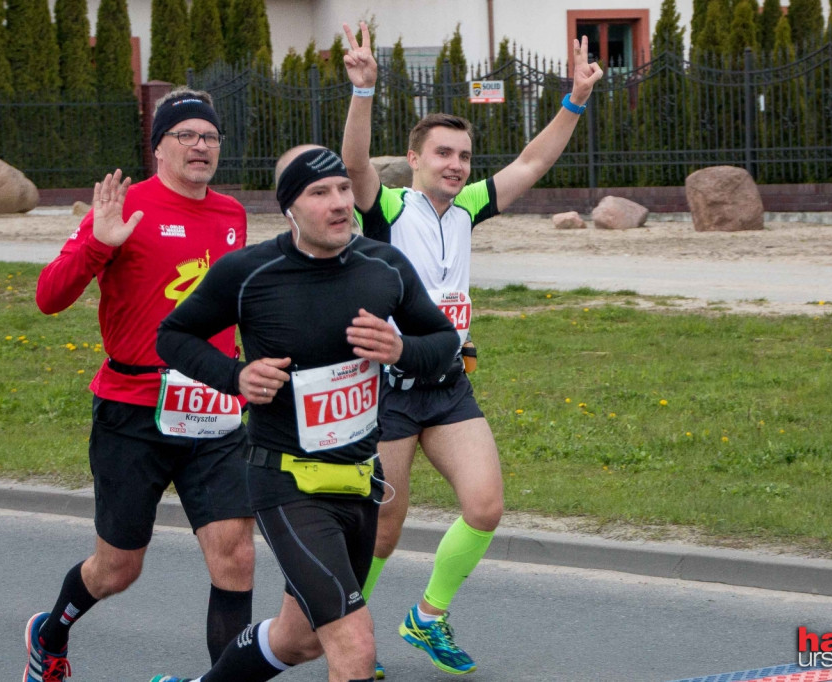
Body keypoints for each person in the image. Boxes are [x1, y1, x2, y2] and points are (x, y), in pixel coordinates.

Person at [340, 21, 604, 677]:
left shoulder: (470, 207)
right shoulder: (388, 209)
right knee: (382, 530)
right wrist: (364, 91)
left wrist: (575, 99)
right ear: (417, 157)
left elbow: (534, 162)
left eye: (463, 154)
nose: (456, 164)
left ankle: (426, 619)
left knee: (485, 505)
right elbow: (351, 166)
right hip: (389, 389)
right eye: (443, 153)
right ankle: (347, 639)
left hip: (449, 381)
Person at [149, 145, 460, 682]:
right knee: (354, 645)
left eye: (343, 189)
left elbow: (443, 340)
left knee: (299, 641)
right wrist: (236, 377)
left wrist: (400, 350)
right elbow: (173, 335)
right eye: (320, 193)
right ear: (289, 208)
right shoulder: (249, 273)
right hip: (286, 482)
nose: (340, 203)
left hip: (360, 482)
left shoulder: (382, 267)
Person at [26, 87, 256, 682]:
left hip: (214, 407)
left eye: (210, 136)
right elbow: (49, 296)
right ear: (159, 147)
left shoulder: (233, 215)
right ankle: (49, 634)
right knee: (117, 568)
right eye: (187, 135)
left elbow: (236, 307)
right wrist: (99, 243)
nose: (201, 146)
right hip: (132, 410)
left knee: (235, 558)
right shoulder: (124, 208)